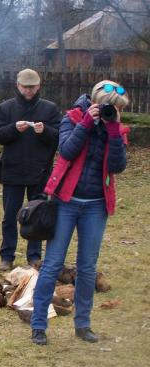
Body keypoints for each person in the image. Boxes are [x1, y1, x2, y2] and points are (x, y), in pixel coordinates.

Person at [30, 80, 128, 345]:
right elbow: (66, 150)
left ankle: (83, 325)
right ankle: (38, 324)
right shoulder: (72, 118)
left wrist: (114, 130)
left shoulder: (116, 129)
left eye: (116, 109)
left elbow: (118, 166)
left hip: (96, 205)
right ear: (95, 102)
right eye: (108, 107)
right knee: (52, 265)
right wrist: (87, 122)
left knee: (87, 268)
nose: (111, 112)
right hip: (66, 202)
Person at [0, 68, 61, 272]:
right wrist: (13, 128)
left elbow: (59, 135)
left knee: (38, 215)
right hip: (12, 171)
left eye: (32, 87)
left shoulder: (50, 109)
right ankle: (7, 256)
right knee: (10, 215)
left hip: (40, 171)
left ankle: (34, 256)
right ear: (18, 86)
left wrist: (44, 131)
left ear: (38, 86)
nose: (28, 91)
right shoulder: (6, 108)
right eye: (25, 87)